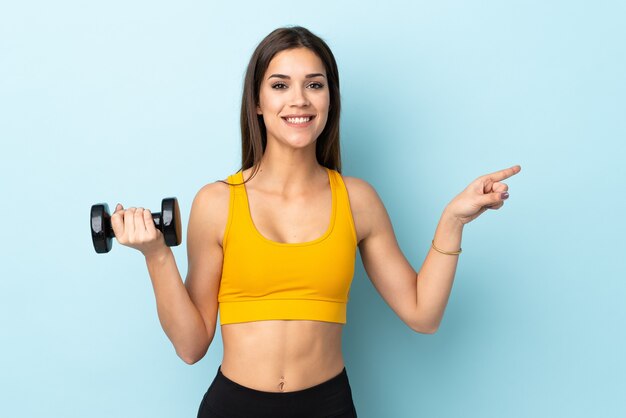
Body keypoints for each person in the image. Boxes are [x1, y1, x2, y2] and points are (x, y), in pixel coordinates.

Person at [110, 26, 521, 418]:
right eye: (280, 85)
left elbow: (422, 314)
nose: (299, 100)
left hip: (328, 408)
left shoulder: (357, 200)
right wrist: (156, 255)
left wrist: (452, 220)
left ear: (330, 98)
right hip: (233, 409)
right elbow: (191, 346)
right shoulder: (217, 202)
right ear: (256, 101)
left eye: (314, 84)